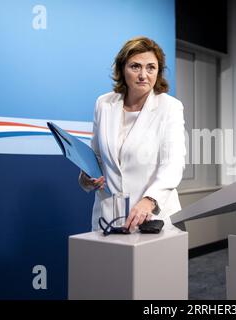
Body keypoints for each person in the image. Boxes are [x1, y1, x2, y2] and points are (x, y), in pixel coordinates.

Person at [78, 36, 186, 232]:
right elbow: (97, 156)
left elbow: (173, 164)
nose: (143, 74)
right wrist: (87, 177)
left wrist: (149, 200)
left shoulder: (170, 107)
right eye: (135, 66)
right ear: (122, 69)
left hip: (153, 217)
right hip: (109, 216)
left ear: (158, 72)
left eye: (151, 67)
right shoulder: (104, 104)